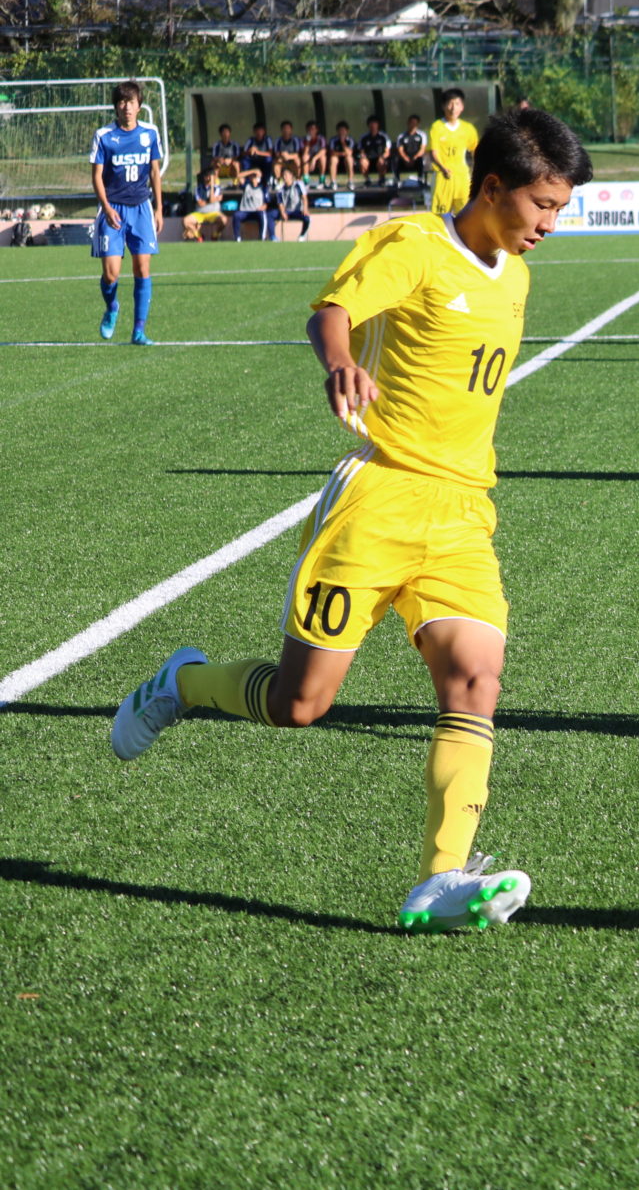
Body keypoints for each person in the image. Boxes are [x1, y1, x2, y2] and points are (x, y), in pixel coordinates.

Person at [108, 108, 596, 935]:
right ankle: (184, 682)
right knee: (303, 703)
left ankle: (440, 878)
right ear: (493, 189)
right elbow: (331, 311)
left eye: (561, 208)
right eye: (543, 205)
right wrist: (339, 362)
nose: (553, 223)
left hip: (463, 513)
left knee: (476, 678)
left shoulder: (513, 271)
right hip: (378, 498)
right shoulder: (413, 248)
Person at [89, 79, 164, 346]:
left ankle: (139, 331)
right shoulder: (104, 136)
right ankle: (111, 308)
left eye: (131, 102)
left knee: (142, 269)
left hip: (142, 208)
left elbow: (155, 171)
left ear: (139, 106)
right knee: (111, 274)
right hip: (113, 211)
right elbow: (96, 176)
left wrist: (159, 208)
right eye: (122, 102)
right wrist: (107, 207)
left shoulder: (150, 133)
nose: (127, 107)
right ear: (116, 107)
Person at [429, 89, 480, 214]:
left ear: (462, 107)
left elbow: (476, 151)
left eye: (457, 104)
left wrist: (478, 170)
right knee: (439, 218)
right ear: (443, 106)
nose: (453, 108)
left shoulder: (468, 128)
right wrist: (443, 168)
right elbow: (433, 152)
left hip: (462, 178)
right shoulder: (437, 127)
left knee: (465, 216)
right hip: (443, 178)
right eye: (450, 104)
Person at [270, 158, 313, 240]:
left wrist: (305, 209)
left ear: (291, 175)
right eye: (283, 175)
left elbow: (304, 197)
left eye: (286, 175)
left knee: (307, 218)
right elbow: (280, 202)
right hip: (287, 211)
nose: (284, 177)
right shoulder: (280, 187)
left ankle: (302, 235)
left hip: (297, 211)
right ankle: (273, 236)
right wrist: (282, 212)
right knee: (270, 214)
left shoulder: (298, 184)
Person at [182, 170, 225, 242]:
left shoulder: (217, 188)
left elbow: (211, 199)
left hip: (214, 213)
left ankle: (215, 235)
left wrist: (211, 186)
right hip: (200, 213)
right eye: (207, 176)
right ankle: (199, 236)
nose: (208, 178)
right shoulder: (198, 189)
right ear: (204, 177)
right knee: (185, 221)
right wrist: (213, 200)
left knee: (224, 220)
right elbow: (201, 203)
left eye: (210, 177)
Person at [231, 168, 271, 241]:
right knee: (236, 215)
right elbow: (238, 176)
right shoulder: (246, 185)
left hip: (257, 211)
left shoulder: (263, 187)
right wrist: (253, 171)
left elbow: (266, 204)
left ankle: (262, 237)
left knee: (263, 214)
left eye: (256, 176)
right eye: (253, 176)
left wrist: (263, 207)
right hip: (245, 211)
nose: (254, 178)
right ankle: (237, 238)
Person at [393, 114, 429, 185]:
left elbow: (422, 150)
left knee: (421, 160)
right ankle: (397, 181)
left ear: (418, 124)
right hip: (405, 160)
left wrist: (414, 158)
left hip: (416, 159)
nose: (413, 124)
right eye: (411, 122)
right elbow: (400, 150)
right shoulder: (401, 136)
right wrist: (406, 159)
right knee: (396, 160)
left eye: (415, 123)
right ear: (408, 123)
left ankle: (420, 180)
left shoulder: (422, 135)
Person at [359, 116, 392, 184]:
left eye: (375, 124)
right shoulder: (364, 137)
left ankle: (381, 178)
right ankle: (367, 180)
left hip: (380, 158)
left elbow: (387, 152)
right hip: (368, 158)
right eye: (371, 124)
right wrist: (363, 157)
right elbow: (362, 151)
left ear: (378, 125)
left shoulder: (384, 136)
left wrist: (382, 157)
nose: (373, 126)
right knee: (362, 162)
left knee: (381, 161)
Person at [328, 121, 359, 190]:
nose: (341, 132)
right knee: (333, 159)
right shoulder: (333, 140)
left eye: (343, 130)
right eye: (340, 130)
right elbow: (332, 152)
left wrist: (343, 142)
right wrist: (342, 154)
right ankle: (333, 182)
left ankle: (350, 181)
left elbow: (349, 153)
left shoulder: (350, 140)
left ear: (347, 131)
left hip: (347, 162)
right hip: (337, 162)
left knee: (349, 158)